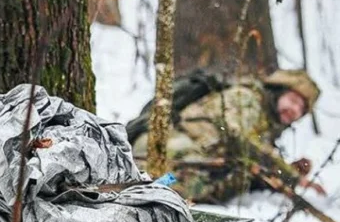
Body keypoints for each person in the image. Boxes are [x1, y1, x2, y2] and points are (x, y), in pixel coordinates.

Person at [126, 67, 322, 204]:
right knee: (180, 184)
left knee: (204, 184)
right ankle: (139, 189)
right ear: (279, 91)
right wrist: (290, 175)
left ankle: (148, 188)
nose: (295, 109)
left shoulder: (265, 121)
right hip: (170, 145)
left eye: (302, 109)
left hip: (188, 157)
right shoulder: (248, 99)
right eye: (293, 100)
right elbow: (238, 137)